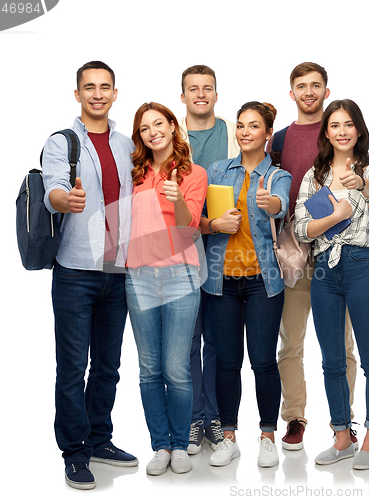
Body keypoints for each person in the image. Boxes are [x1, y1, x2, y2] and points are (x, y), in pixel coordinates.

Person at [271, 62, 369, 451]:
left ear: (325, 90)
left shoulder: (366, 165)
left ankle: (351, 426)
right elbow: (294, 212)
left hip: (354, 263)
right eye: (300, 86)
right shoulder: (284, 142)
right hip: (300, 255)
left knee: (350, 350)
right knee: (294, 344)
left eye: (316, 85)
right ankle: (299, 419)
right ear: (292, 93)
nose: (308, 91)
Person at [42, 61, 137, 490]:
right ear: (77, 94)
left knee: (108, 366)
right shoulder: (62, 142)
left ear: (115, 93)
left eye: (105, 87)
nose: (97, 94)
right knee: (72, 366)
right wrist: (67, 199)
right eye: (89, 88)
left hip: (117, 269)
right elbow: (52, 189)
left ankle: (100, 439)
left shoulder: (124, 143)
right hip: (76, 271)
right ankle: (75, 451)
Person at [294, 99, 369, 470]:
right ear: (327, 133)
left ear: (359, 130)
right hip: (323, 272)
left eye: (349, 124)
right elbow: (301, 228)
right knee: (332, 361)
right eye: (335, 125)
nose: (342, 131)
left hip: (363, 265)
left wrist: (359, 183)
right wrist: (334, 215)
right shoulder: (313, 177)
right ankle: (341, 436)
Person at [200, 102, 292, 468]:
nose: (244, 132)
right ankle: (228, 436)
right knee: (226, 362)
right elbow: (202, 217)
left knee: (263, 361)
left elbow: (281, 204)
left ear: (268, 133)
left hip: (263, 283)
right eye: (240, 125)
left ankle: (267, 436)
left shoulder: (278, 176)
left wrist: (271, 204)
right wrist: (214, 222)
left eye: (254, 126)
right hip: (221, 280)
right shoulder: (218, 170)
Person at [125, 102, 208, 476]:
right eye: (145, 128)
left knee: (176, 369)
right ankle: (159, 445)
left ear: (174, 127)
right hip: (139, 276)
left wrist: (177, 202)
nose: (153, 131)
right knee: (148, 368)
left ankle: (178, 444)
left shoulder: (194, 174)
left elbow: (190, 229)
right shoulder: (135, 173)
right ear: (140, 136)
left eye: (159, 123)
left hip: (180, 277)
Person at [179, 64, 240, 454]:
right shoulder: (171, 136)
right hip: (180, 257)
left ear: (217, 95)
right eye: (193, 89)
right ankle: (193, 418)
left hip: (222, 259)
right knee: (186, 342)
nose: (201, 94)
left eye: (208, 88)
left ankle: (215, 418)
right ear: (182, 96)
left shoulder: (234, 136)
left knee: (217, 344)